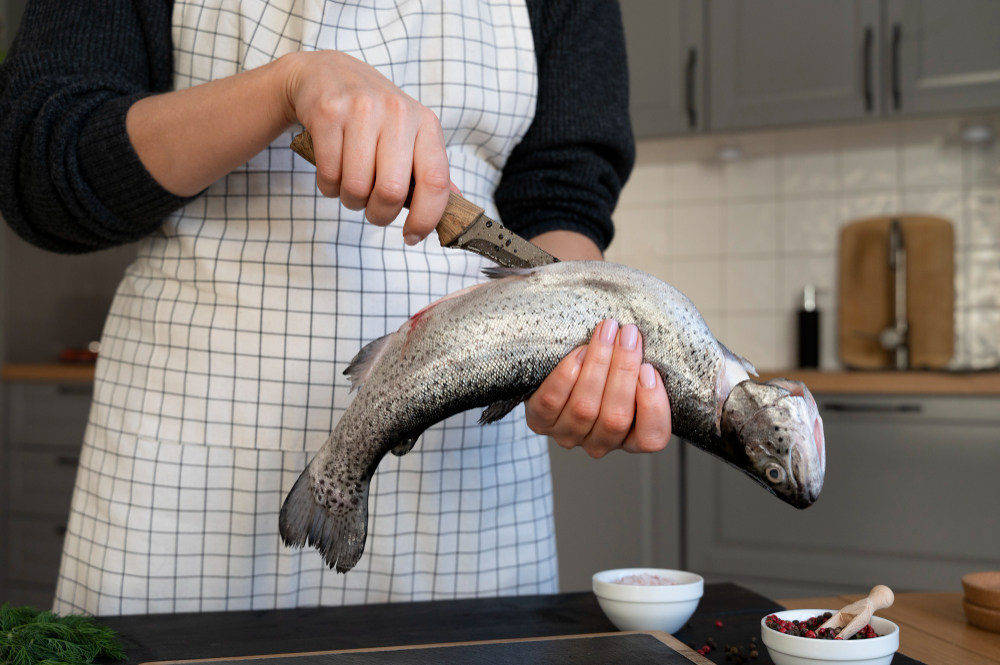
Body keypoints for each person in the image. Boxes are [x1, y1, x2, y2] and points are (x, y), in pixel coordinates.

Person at [0, 0, 672, 615]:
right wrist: (284, 86)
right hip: (187, 445)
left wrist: (577, 351)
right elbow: (46, 158)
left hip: (463, 461)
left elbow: (562, 193)